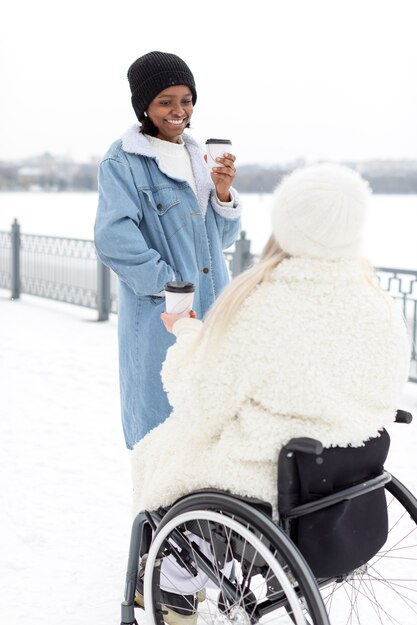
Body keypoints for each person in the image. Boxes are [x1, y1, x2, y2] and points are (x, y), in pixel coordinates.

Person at [131, 162, 411, 516]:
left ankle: (177, 565)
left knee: (155, 450)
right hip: (347, 470)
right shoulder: (378, 301)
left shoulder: (263, 306)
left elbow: (201, 405)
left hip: (268, 472)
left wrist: (185, 333)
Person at [94, 51, 242, 450]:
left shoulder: (199, 157)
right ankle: (157, 514)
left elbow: (222, 240)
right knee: (161, 437)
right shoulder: (123, 160)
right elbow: (113, 238)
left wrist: (223, 193)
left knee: (211, 431)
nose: (179, 110)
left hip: (212, 315)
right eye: (166, 101)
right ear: (145, 105)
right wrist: (171, 286)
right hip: (163, 315)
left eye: (186, 99)